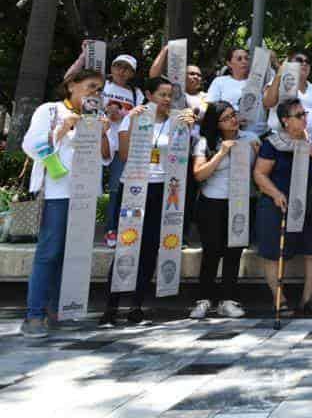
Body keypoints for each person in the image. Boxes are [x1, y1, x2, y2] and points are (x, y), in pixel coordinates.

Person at [20, 70, 112, 338]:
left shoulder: (95, 117)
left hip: (83, 194)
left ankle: (59, 310)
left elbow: (106, 157)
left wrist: (104, 133)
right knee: (49, 252)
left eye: (99, 90)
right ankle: (34, 315)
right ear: (71, 85)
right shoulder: (50, 110)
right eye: (91, 87)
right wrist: (62, 128)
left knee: (70, 254)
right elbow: (31, 146)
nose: (95, 93)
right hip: (56, 193)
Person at [100, 76, 196, 327]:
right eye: (162, 95)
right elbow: (123, 154)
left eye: (169, 96)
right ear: (149, 95)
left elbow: (183, 157)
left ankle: (136, 306)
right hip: (133, 187)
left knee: (150, 247)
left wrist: (187, 127)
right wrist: (132, 121)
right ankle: (111, 306)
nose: (166, 100)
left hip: (162, 189)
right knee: (126, 243)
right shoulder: (133, 118)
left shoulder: (177, 121)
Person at [252, 97, 312, 316]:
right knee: (274, 253)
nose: (305, 118)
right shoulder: (273, 143)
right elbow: (259, 174)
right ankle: (280, 300)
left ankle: (308, 300)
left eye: (305, 114)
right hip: (280, 204)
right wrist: (275, 194)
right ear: (285, 121)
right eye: (299, 115)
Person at [189, 101, 259, 319]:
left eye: (234, 115)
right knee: (212, 252)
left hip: (241, 201)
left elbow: (258, 171)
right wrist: (220, 153)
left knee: (234, 251)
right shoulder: (205, 142)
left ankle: (228, 300)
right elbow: (199, 174)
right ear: (216, 123)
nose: (233, 120)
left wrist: (257, 153)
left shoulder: (250, 139)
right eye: (227, 117)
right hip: (212, 202)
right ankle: (203, 299)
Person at [73, 50, 146, 250]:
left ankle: (112, 229)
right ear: (111, 68)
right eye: (118, 66)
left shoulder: (136, 93)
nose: (122, 71)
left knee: (115, 189)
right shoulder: (102, 86)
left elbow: (140, 118)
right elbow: (84, 102)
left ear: (132, 73)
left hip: (120, 145)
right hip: (95, 141)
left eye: (127, 69)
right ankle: (78, 229)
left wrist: (124, 115)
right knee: (84, 186)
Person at [207, 47, 268, 134]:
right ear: (229, 64)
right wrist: (234, 118)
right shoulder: (220, 81)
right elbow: (212, 108)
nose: (244, 61)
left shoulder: (259, 81)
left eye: (246, 58)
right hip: (231, 136)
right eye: (239, 59)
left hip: (259, 134)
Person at [264, 50, 312, 134]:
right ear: (289, 65)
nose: (304, 63)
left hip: (309, 139)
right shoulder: (278, 82)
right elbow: (268, 103)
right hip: (281, 137)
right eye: (299, 60)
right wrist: (279, 75)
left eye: (307, 62)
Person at [149, 43, 208, 116]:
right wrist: (166, 49)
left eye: (199, 75)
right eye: (192, 74)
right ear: (182, 77)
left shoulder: (207, 97)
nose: (196, 77)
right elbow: (154, 77)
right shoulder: (174, 92)